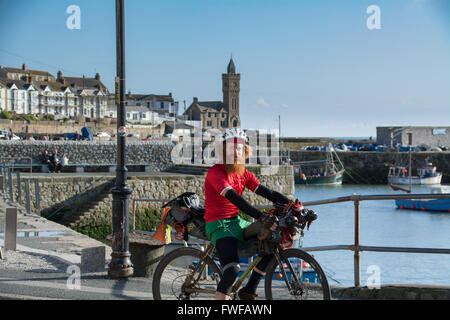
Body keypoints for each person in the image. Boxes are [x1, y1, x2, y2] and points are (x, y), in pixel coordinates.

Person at [204, 128, 301, 300]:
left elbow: (267, 192)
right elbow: (234, 198)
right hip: (219, 225)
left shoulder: (243, 174)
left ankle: (249, 290)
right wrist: (260, 216)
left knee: (272, 244)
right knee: (232, 269)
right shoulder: (215, 172)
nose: (235, 151)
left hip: (237, 222)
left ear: (244, 152)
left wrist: (293, 206)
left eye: (239, 148)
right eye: (231, 148)